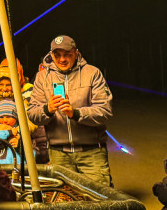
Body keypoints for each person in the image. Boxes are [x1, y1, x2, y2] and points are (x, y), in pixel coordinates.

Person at [27, 35, 114, 187]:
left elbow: (104, 111)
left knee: (99, 202)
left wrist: (76, 113)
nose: (62, 59)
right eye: (57, 55)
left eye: (67, 54)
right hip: (58, 154)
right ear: (51, 55)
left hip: (92, 153)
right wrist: (48, 109)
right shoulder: (42, 78)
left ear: (76, 53)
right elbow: (32, 114)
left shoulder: (92, 73)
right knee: (63, 202)